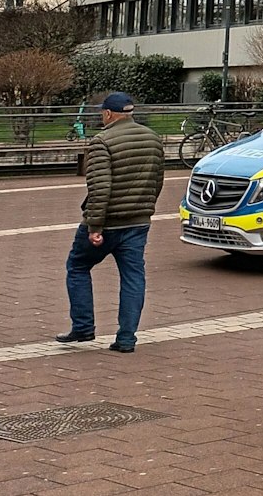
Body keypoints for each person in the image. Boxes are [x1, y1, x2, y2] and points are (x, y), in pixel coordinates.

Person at [56, 91, 166, 353]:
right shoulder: (152, 138)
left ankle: (83, 327)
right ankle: (126, 338)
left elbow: (99, 187)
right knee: (133, 277)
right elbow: (158, 180)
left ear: (107, 114)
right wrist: (145, 209)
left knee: (78, 266)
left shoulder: (101, 141)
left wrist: (95, 227)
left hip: (107, 222)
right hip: (138, 221)